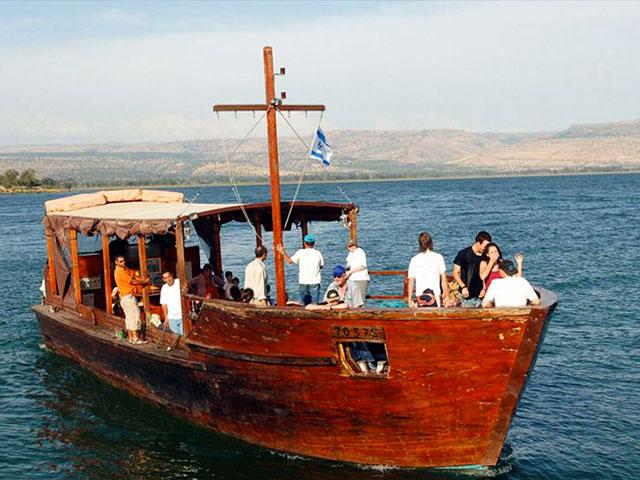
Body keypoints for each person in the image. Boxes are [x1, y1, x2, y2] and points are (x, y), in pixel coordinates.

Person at [113, 255, 151, 344]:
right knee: (135, 316)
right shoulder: (119, 272)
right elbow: (132, 281)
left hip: (124, 297)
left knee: (129, 317)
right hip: (128, 297)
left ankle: (131, 337)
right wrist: (145, 282)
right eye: (121, 261)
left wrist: (136, 275)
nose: (123, 262)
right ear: (116, 262)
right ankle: (136, 338)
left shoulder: (124, 269)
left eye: (124, 260)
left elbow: (131, 273)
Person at [278, 233, 324, 306]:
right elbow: (321, 266)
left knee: (304, 304)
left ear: (304, 243)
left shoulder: (300, 252)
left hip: (303, 281)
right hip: (315, 281)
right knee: (315, 305)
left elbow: (289, 261)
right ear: (314, 243)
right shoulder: (318, 253)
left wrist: (282, 252)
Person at [406, 231, 450, 308]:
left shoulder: (414, 260)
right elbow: (443, 279)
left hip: (420, 298)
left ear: (419, 244)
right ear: (431, 243)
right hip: (436, 297)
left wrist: (409, 299)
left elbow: (411, 281)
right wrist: (446, 295)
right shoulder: (438, 257)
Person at [452, 231, 492, 308]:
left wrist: (484, 288)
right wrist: (463, 287)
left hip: (481, 295)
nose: (486, 248)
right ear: (478, 243)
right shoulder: (463, 254)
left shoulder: (485, 256)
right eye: (485, 246)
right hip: (467, 295)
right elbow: (455, 273)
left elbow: (485, 274)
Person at [160, 271, 183, 335]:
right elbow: (164, 304)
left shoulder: (179, 282)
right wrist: (166, 318)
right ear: (164, 280)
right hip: (172, 317)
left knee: (183, 336)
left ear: (172, 275)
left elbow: (186, 288)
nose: (169, 279)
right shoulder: (164, 288)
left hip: (182, 316)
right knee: (176, 337)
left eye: (169, 276)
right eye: (166, 278)